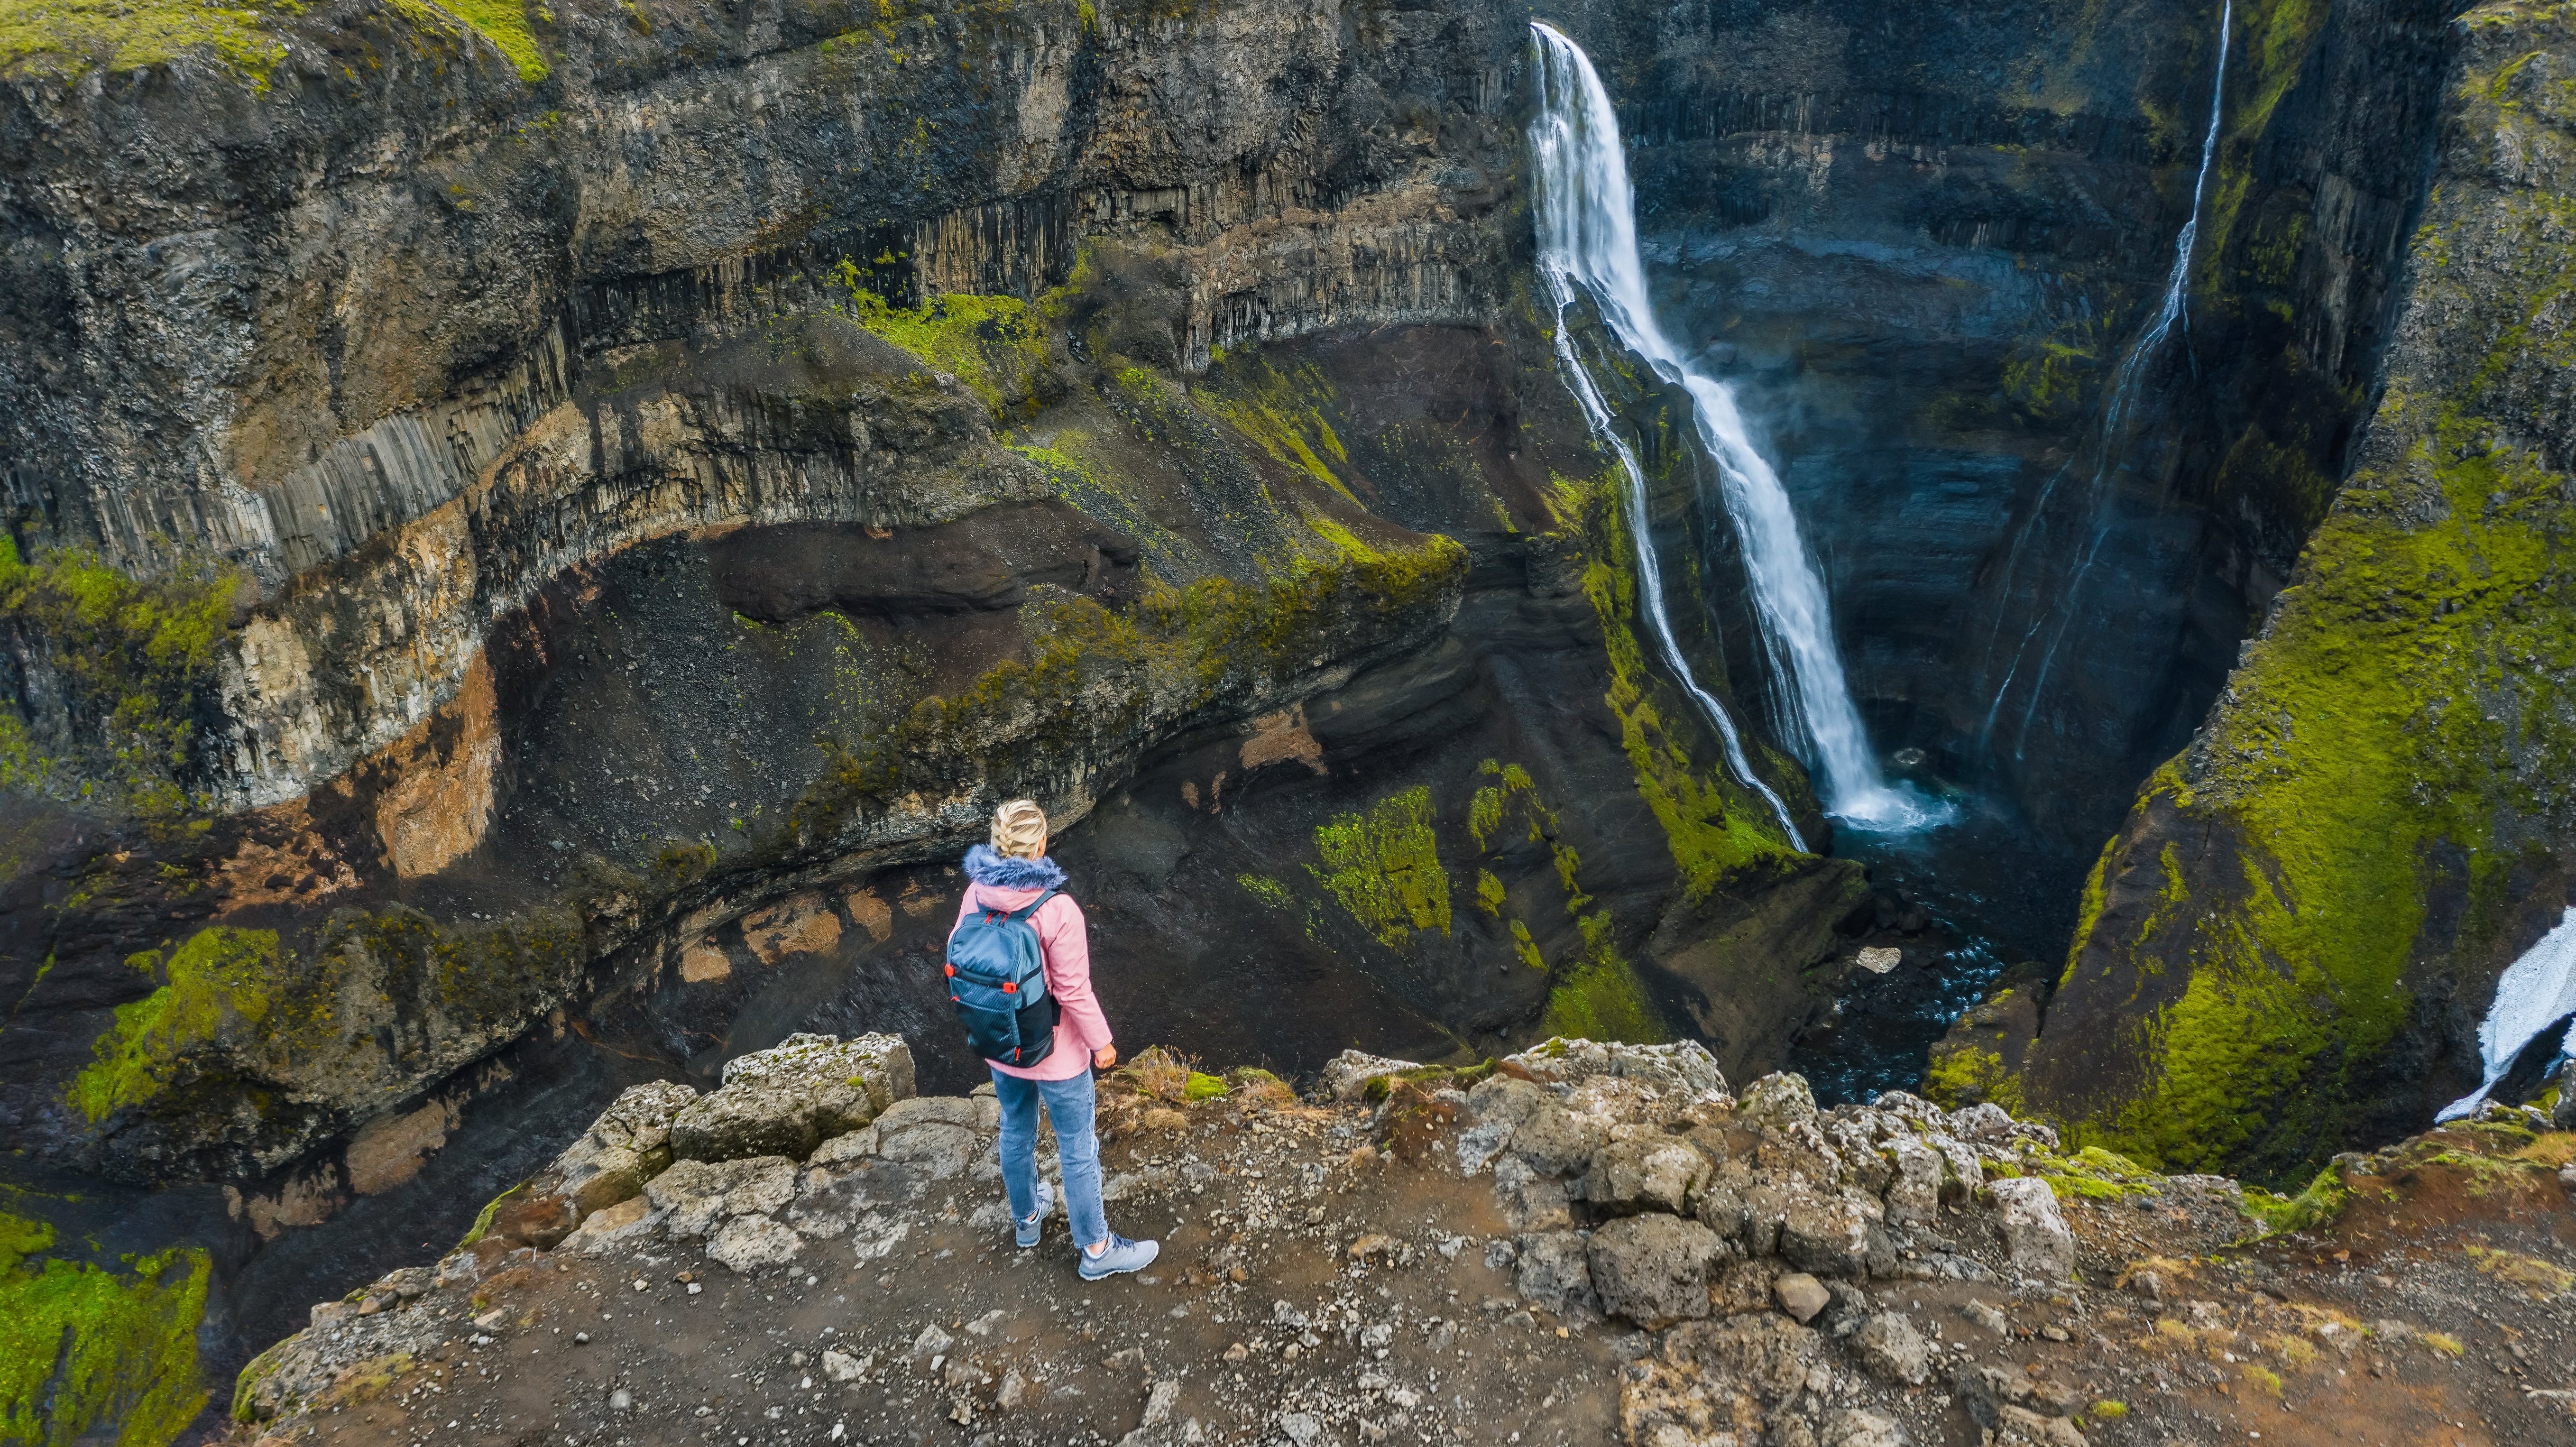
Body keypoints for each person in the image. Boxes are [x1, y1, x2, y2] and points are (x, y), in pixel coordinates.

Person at [954, 799, 1159, 1279]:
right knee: (1076, 1145)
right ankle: (1096, 1250)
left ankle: (1026, 1220)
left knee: (1015, 1129)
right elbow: (1071, 989)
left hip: (1002, 1047)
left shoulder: (974, 895)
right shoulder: (1057, 908)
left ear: (996, 844)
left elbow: (964, 963)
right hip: (1058, 1054)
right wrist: (1101, 1043)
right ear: (1042, 845)